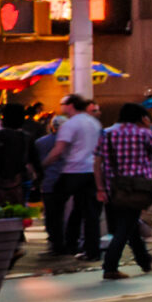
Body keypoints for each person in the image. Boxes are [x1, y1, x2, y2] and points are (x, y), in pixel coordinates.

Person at [93, 102, 152, 279]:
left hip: (114, 188)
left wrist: (100, 188)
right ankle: (110, 265)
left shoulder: (107, 133)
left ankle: (144, 260)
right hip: (138, 188)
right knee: (125, 227)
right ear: (142, 118)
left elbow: (97, 163)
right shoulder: (144, 133)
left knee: (129, 223)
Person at [48, 94, 103, 263]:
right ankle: (92, 250)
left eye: (62, 103)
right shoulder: (94, 123)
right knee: (90, 212)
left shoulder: (69, 124)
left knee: (54, 206)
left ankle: (60, 244)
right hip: (92, 171)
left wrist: (43, 165)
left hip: (72, 170)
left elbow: (58, 150)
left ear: (70, 105)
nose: (61, 107)